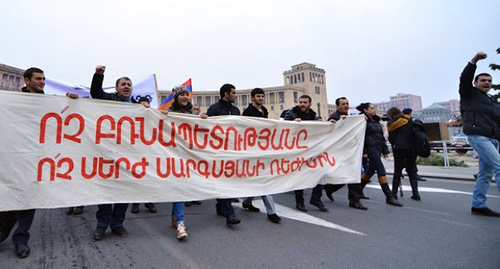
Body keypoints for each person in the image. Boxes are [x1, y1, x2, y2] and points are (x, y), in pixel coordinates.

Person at [0, 67, 77, 258]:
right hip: (13, 157)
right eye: (38, 79)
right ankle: (4, 229)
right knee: (9, 197)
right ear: (27, 81)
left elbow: (63, 116)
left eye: (43, 79)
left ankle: (21, 240)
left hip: (37, 159)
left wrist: (70, 101)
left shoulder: (48, 102)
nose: (42, 82)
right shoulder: (13, 100)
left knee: (29, 199)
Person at [90, 65, 135, 240]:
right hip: (108, 153)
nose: (126, 86)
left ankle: (117, 224)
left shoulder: (138, 106)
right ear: (116, 88)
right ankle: (102, 225)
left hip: (129, 155)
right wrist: (98, 75)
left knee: (124, 192)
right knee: (106, 192)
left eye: (129, 84)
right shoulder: (108, 99)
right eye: (123, 84)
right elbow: (96, 93)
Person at [459, 52, 500, 217]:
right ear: (475, 83)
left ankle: (478, 205)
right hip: (478, 136)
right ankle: (478, 204)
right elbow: (464, 78)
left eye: (489, 81)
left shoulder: (492, 101)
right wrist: (474, 61)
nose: (487, 83)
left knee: (485, 173)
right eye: (483, 80)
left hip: (493, 138)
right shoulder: (469, 94)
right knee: (499, 167)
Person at [166, 86, 207, 239]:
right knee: (179, 189)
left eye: (186, 94)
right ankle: (180, 223)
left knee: (180, 188)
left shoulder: (193, 115)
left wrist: (202, 119)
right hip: (173, 156)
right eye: (181, 94)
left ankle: (175, 218)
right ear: (175, 98)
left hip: (189, 157)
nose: (184, 97)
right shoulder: (168, 114)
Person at [241, 88, 282, 223]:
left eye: (262, 96)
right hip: (252, 149)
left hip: (262, 149)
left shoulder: (264, 110)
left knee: (258, 177)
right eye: (258, 96)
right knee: (263, 180)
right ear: (252, 98)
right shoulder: (248, 112)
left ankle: (247, 201)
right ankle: (271, 212)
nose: (261, 98)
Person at [284, 95, 328, 212]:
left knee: (321, 172)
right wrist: (293, 123)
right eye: (300, 102)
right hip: (297, 150)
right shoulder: (291, 113)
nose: (302, 104)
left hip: (311, 149)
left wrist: (328, 123)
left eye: (305, 102)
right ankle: (300, 202)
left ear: (310, 104)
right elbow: (283, 126)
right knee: (300, 176)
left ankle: (316, 198)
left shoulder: (313, 115)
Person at [206, 83, 242, 225]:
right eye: (233, 93)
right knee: (224, 181)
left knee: (226, 181)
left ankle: (221, 206)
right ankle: (229, 214)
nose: (235, 95)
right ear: (225, 94)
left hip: (232, 150)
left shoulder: (235, 110)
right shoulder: (214, 109)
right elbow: (207, 128)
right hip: (218, 152)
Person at [356, 103, 402, 208]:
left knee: (370, 170)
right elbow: (360, 137)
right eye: (371, 108)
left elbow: (381, 136)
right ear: (365, 110)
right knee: (381, 170)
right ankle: (389, 196)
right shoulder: (361, 121)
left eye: (374, 108)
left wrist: (385, 150)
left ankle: (358, 190)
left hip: (378, 147)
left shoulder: (376, 121)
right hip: (370, 148)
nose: (374, 110)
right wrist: (364, 151)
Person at [324, 97, 367, 203]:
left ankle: (332, 189)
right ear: (337, 106)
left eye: (347, 103)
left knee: (351, 174)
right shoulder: (334, 117)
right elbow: (330, 132)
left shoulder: (349, 117)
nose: (346, 105)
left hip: (350, 150)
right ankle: (354, 199)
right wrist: (339, 122)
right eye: (343, 104)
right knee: (349, 174)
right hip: (340, 151)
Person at [130, 97, 158, 214]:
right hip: (136, 152)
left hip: (149, 152)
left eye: (147, 103)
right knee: (137, 178)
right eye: (142, 103)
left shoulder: (153, 116)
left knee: (148, 179)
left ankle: (149, 202)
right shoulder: (133, 116)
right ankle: (136, 202)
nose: (145, 105)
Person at [387, 107, 420, 201]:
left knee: (397, 172)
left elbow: (391, 139)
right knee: (411, 171)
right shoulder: (408, 121)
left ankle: (394, 194)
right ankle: (416, 194)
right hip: (411, 149)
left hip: (399, 149)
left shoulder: (392, 124)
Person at [402, 108, 426, 182]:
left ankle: (411, 172)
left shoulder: (404, 120)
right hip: (409, 144)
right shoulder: (407, 121)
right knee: (411, 160)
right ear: (410, 113)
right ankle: (413, 173)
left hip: (406, 144)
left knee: (410, 161)